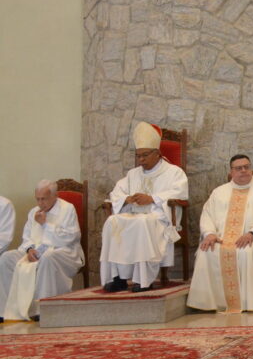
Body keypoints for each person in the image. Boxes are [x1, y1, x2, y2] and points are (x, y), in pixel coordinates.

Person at [186, 154, 253, 313]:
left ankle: (251, 301)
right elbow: (207, 214)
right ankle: (209, 303)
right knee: (206, 251)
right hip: (222, 239)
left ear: (251, 168)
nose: (243, 171)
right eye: (238, 168)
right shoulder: (219, 192)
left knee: (248, 251)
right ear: (231, 172)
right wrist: (210, 233)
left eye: (247, 167)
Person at [99, 122, 188, 292]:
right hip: (134, 214)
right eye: (138, 156)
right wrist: (127, 199)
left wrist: (152, 198)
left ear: (157, 153)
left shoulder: (174, 172)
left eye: (145, 155)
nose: (141, 160)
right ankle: (118, 279)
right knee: (112, 221)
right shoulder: (133, 174)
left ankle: (143, 280)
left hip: (158, 218)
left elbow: (181, 194)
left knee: (141, 223)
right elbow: (116, 193)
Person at [0, 180, 84, 321]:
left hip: (64, 252)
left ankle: (43, 309)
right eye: (37, 199)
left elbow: (71, 237)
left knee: (48, 257)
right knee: (6, 258)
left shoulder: (67, 209)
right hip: (36, 252)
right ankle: (5, 310)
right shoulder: (34, 212)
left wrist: (46, 224)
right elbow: (26, 237)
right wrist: (29, 249)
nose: (40, 203)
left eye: (43, 199)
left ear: (54, 196)